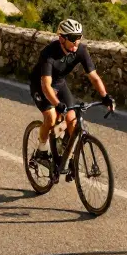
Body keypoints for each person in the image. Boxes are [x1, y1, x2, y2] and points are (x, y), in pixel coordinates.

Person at [29, 19, 114, 176]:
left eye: (79, 37)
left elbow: (94, 77)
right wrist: (57, 104)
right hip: (41, 86)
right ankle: (41, 151)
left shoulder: (80, 50)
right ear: (62, 38)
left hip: (59, 84)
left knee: (73, 120)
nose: (76, 41)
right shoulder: (49, 54)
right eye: (72, 38)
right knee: (51, 117)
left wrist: (105, 96)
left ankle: (66, 155)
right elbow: (46, 86)